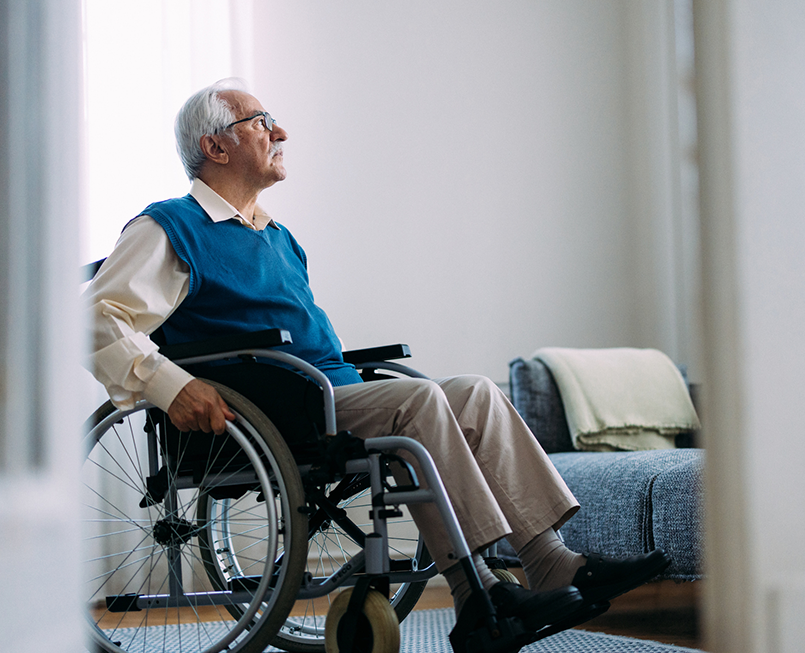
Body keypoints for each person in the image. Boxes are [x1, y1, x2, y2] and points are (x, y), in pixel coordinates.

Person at [83, 78, 669, 649]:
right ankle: (477, 595)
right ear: (215, 146)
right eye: (260, 122)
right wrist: (170, 384)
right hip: (273, 408)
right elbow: (97, 318)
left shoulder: (278, 237)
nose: (279, 131)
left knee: (475, 393)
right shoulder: (169, 227)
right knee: (419, 402)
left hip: (329, 392)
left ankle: (552, 564)